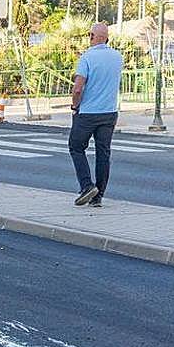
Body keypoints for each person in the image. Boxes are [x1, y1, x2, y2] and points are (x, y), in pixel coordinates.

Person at [68, 21, 123, 208]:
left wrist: (75, 107)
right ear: (107, 38)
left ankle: (86, 186)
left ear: (92, 37)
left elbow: (77, 89)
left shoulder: (87, 57)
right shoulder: (117, 57)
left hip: (88, 113)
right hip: (109, 112)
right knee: (103, 153)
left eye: (89, 35)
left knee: (76, 147)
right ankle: (98, 196)